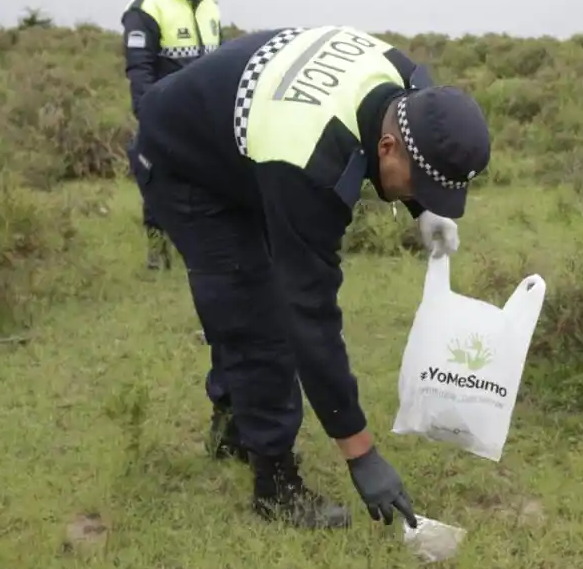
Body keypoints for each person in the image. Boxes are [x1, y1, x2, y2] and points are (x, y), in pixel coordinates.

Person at [127, 26, 492, 531]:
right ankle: (274, 485)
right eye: (422, 183)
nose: (426, 194)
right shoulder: (309, 163)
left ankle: (233, 426)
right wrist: (361, 454)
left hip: (239, 137)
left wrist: (418, 207)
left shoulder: (407, 81)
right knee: (258, 320)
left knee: (247, 304)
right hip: (181, 161)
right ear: (387, 146)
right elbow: (310, 317)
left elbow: (398, 161)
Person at [121, 0, 223, 271]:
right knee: (159, 182)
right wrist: (148, 114)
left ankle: (202, 249)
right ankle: (157, 251)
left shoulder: (210, 6)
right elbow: (139, 68)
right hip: (166, 114)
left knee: (209, 183)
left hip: (206, 115)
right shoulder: (147, 7)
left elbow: (220, 60)